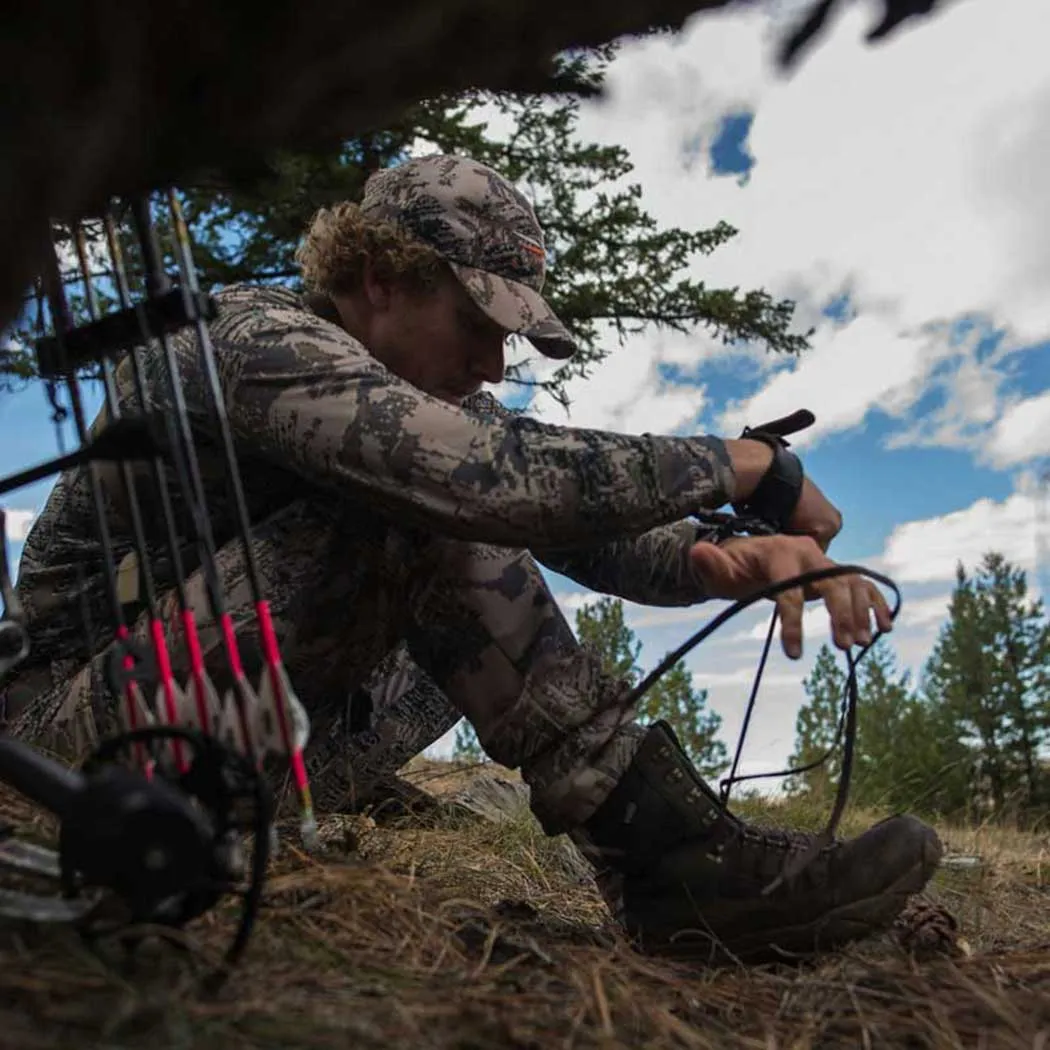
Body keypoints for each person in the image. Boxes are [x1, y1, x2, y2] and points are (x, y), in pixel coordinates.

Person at [1, 153, 941, 964]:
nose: (495, 365)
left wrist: (710, 561)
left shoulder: (418, 401)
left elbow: (571, 519)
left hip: (243, 746)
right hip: (64, 748)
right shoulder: (239, 340)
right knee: (417, 503)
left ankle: (673, 861)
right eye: (480, 324)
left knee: (444, 507)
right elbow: (479, 481)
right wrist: (747, 468)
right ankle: (668, 862)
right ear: (377, 276)